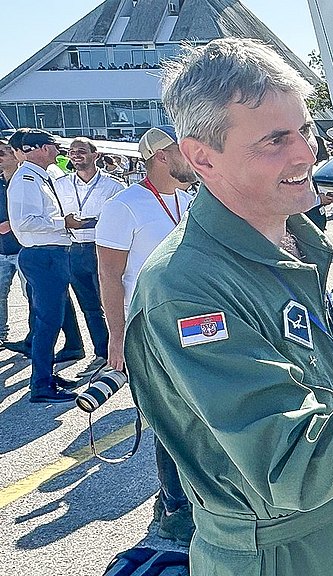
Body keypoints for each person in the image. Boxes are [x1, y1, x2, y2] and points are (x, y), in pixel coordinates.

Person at [123, 38, 333, 575]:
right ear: (201, 157)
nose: (307, 153)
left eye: (306, 130)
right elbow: (293, 464)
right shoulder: (186, 287)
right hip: (275, 555)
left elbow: (304, 381)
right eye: (275, 139)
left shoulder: (295, 245)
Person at [96, 125, 199, 543]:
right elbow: (109, 275)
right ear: (160, 155)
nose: (191, 156)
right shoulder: (126, 206)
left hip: (189, 328)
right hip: (149, 331)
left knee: (194, 418)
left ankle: (179, 498)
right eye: (181, 149)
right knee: (168, 420)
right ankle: (176, 508)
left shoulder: (186, 199)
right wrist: (116, 338)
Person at [6, 128, 79, 402]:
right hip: (43, 256)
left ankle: (45, 373)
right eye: (51, 145)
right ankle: (41, 385)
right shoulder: (26, 179)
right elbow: (23, 222)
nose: (56, 150)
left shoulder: (39, 177)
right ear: (36, 149)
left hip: (51, 254)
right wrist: (64, 223)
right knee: (48, 321)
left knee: (50, 319)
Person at [54, 137, 124, 373]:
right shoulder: (61, 185)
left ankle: (123, 350)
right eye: (72, 151)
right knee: (89, 307)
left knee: (113, 303)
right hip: (74, 250)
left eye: (81, 151)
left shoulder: (114, 186)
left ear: (95, 155)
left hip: (101, 249)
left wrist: (91, 223)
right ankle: (102, 353)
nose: (75, 155)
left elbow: (118, 220)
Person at [0, 138, 23, 346]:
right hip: (2, 250)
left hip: (25, 248)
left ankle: (34, 338)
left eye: (4, 152)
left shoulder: (26, 181)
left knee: (33, 296)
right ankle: (1, 334)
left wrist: (13, 224)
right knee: (0, 294)